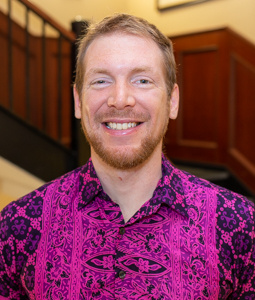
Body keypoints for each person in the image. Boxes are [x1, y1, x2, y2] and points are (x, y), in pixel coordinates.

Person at [0, 13, 254, 300]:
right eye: (101, 81)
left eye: (142, 80)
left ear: (172, 101)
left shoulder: (239, 224)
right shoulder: (17, 227)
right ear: (78, 102)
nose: (120, 99)